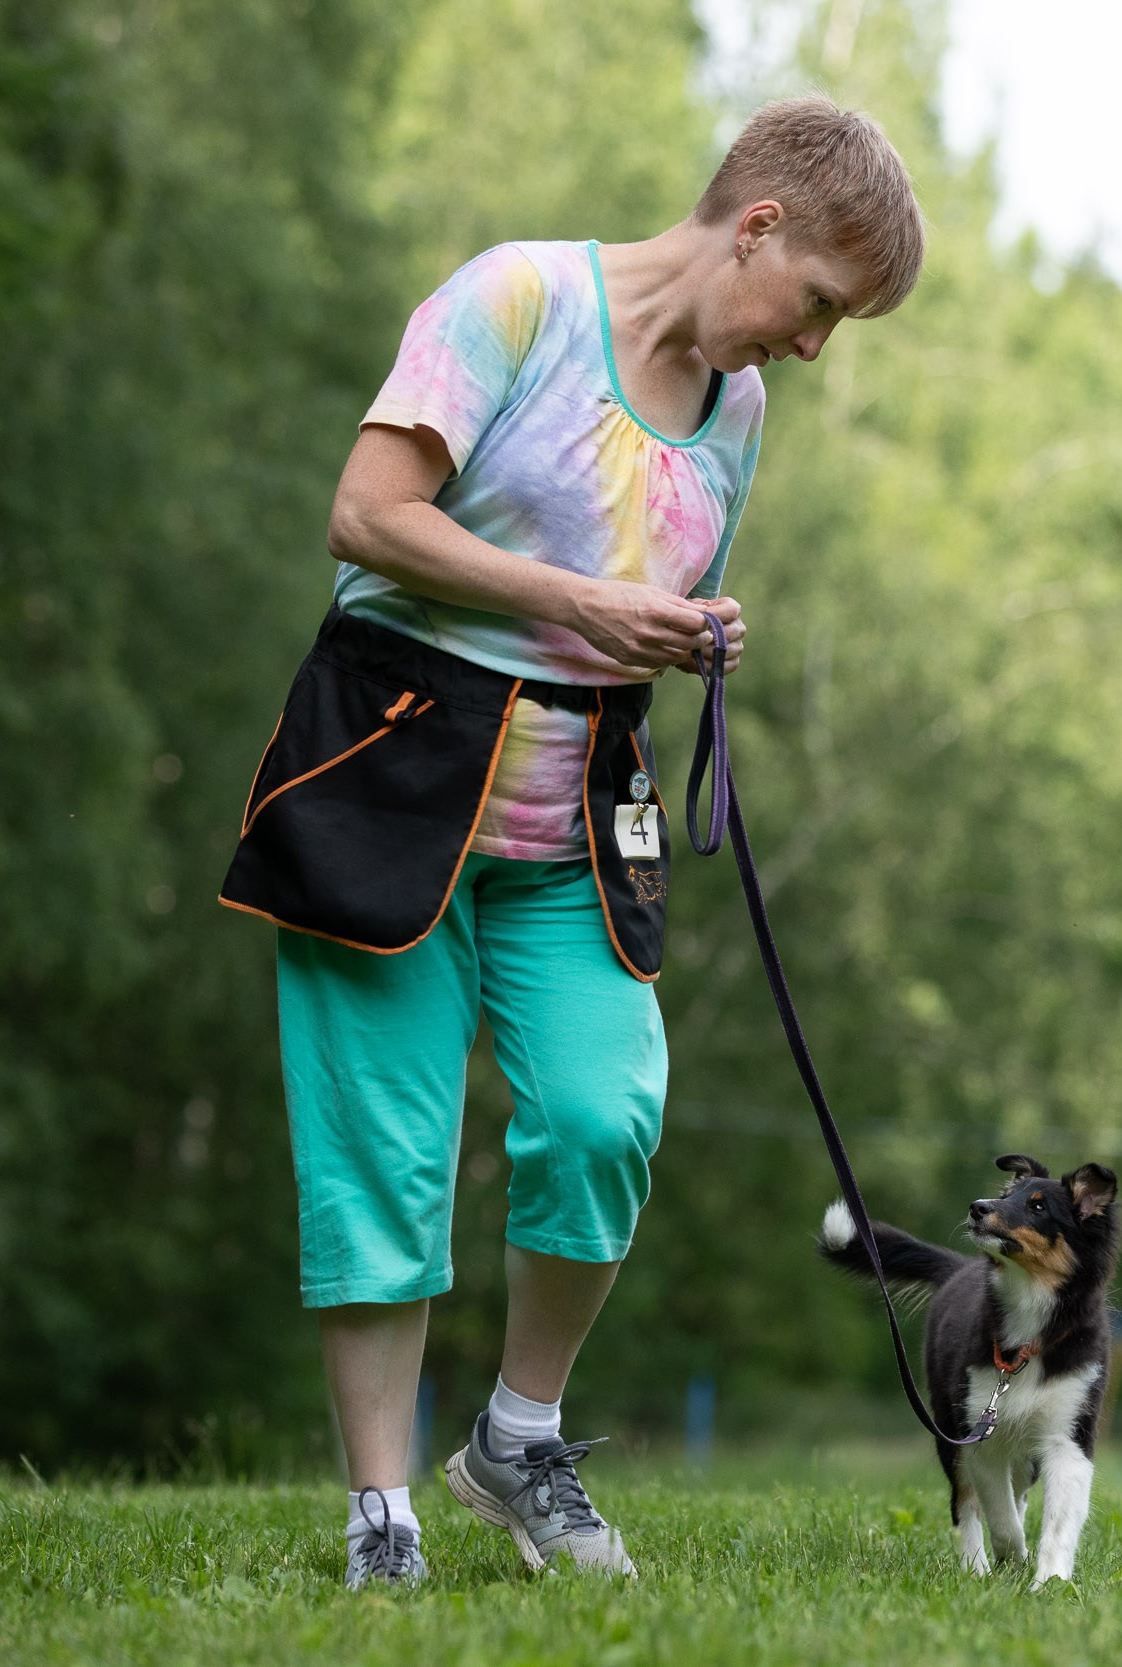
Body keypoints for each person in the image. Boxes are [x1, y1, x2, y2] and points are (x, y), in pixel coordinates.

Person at [216, 94, 924, 1590]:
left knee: (608, 1117)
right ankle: (381, 1513)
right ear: (758, 227)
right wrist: (583, 604)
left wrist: (687, 630)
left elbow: (638, 597)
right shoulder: (518, 299)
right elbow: (365, 514)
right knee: (385, 1158)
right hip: (387, 785)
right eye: (817, 306)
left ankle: (517, 1437)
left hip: (576, 828)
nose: (811, 346)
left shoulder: (736, 414)